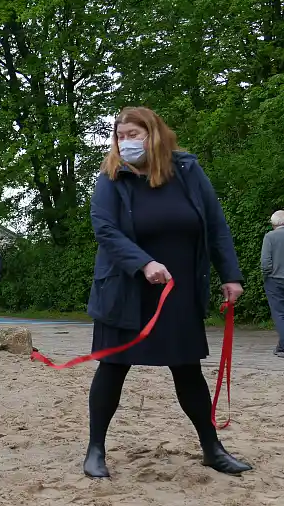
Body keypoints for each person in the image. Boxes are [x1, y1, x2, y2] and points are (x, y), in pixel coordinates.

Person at [84, 106, 252, 479]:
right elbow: (105, 230)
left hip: (178, 291)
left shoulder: (188, 172)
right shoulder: (111, 178)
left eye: (133, 134)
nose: (125, 142)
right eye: (120, 135)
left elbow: (215, 225)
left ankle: (212, 448)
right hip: (125, 290)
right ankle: (95, 449)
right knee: (112, 368)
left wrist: (231, 275)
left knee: (188, 369)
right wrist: (144, 263)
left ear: (154, 134)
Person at [261, 210, 284, 357]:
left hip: (275, 279)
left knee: (279, 313)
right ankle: (281, 346)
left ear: (274, 223)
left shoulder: (270, 236)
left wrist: (266, 276)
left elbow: (265, 262)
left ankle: (283, 348)